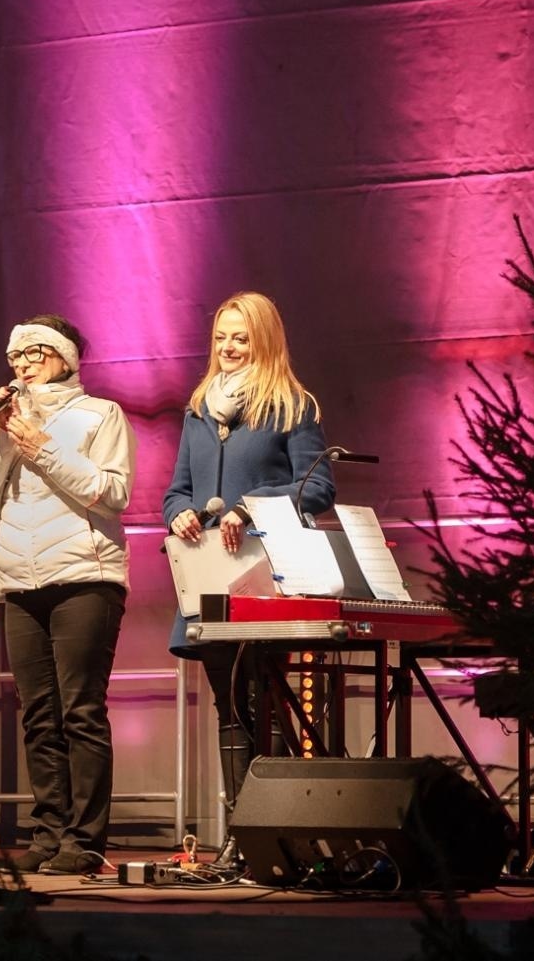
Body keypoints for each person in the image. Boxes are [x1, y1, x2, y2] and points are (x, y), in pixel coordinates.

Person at [162, 292, 335, 865]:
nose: (228, 347)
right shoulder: (197, 409)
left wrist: (249, 506)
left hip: (265, 575)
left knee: (262, 699)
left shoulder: (291, 405)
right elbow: (177, 489)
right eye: (220, 338)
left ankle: (277, 838)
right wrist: (178, 513)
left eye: (240, 337)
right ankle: (243, 837)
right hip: (209, 574)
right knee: (230, 706)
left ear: (263, 339)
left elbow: (317, 486)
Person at [0, 314, 136, 876]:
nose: (24, 363)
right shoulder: (10, 421)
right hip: (17, 578)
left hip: (84, 577)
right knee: (39, 714)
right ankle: (49, 830)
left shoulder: (100, 414)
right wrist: (5, 434)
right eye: (17, 355)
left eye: (37, 351)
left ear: (65, 358)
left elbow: (113, 492)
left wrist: (44, 448)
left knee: (80, 711)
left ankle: (85, 840)